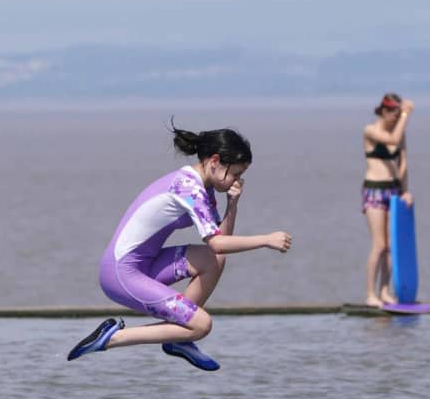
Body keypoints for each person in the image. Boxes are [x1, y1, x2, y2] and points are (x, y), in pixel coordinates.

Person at [67, 122, 292, 370]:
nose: (237, 181)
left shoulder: (203, 189)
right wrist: (266, 240)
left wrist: (232, 204)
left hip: (146, 266)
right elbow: (218, 243)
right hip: (121, 274)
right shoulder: (188, 187)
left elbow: (219, 246)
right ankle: (112, 338)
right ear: (214, 161)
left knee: (212, 260)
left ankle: (179, 340)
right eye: (236, 174)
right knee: (201, 325)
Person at [362, 93, 414, 307]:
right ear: (383, 111)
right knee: (379, 245)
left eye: (398, 112)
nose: (396, 116)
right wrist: (406, 115)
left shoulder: (399, 131)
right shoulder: (371, 130)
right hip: (374, 190)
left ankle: (385, 290)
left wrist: (405, 191)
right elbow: (391, 140)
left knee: (392, 246)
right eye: (394, 112)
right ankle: (370, 293)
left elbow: (403, 163)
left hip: (393, 190)